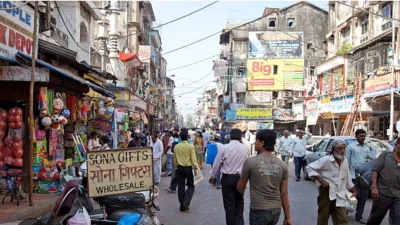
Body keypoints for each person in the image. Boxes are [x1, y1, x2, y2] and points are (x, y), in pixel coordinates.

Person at [237, 129, 292, 225]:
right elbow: (284, 193)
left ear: (262, 143)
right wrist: (288, 218)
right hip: (275, 210)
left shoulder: (250, 162)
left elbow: (241, 187)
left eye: (256, 141)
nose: (254, 143)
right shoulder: (282, 165)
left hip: (258, 209)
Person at [306, 139, 357, 225]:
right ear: (333, 149)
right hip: (326, 192)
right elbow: (310, 168)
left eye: (344, 148)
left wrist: (353, 189)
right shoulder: (326, 160)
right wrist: (322, 181)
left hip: (340, 193)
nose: (342, 151)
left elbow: (347, 177)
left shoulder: (345, 161)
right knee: (323, 218)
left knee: (342, 220)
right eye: (340, 148)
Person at [210, 129, 248, 225]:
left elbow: (217, 163)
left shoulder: (224, 148)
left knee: (229, 206)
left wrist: (212, 176)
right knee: (239, 203)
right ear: (240, 137)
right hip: (240, 179)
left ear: (230, 136)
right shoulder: (245, 148)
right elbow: (247, 164)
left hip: (227, 179)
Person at [366, 138, 400, 225]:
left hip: (397, 195)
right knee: (375, 219)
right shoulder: (385, 155)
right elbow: (375, 170)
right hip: (382, 194)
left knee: (397, 221)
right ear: (396, 145)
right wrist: (374, 187)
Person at [346, 129, 376, 224]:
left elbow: (371, 159)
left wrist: (373, 150)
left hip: (363, 177)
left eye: (364, 136)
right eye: (361, 136)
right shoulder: (351, 147)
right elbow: (346, 161)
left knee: (363, 197)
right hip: (352, 175)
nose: (363, 138)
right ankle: (346, 210)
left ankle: (359, 216)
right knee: (352, 196)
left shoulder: (366, 148)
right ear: (356, 136)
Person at [173, 129, 199, 212]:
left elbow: (175, 159)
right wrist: (196, 169)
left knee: (181, 187)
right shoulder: (190, 146)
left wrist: (176, 167)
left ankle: (182, 205)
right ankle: (186, 202)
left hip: (179, 168)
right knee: (191, 186)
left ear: (180, 137)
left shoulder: (177, 146)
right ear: (187, 137)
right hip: (188, 168)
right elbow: (193, 160)